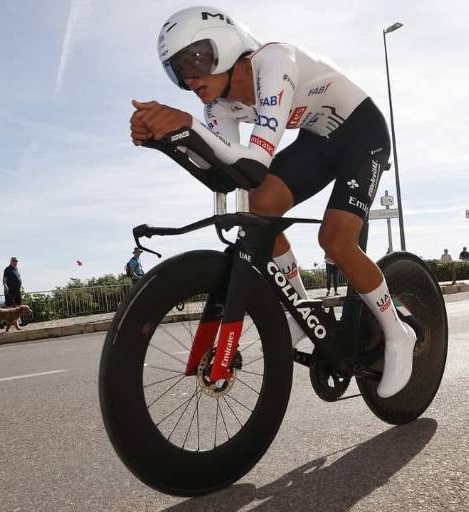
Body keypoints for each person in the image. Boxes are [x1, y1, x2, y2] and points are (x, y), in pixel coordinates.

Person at [130, 7, 414, 398]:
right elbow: (227, 177)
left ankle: (399, 335)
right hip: (320, 141)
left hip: (362, 133)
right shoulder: (218, 105)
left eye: (195, 60)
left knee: (336, 242)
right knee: (257, 206)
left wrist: (186, 125)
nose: (190, 79)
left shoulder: (273, 61)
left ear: (227, 46)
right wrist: (164, 143)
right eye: (177, 72)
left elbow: (254, 162)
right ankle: (300, 309)